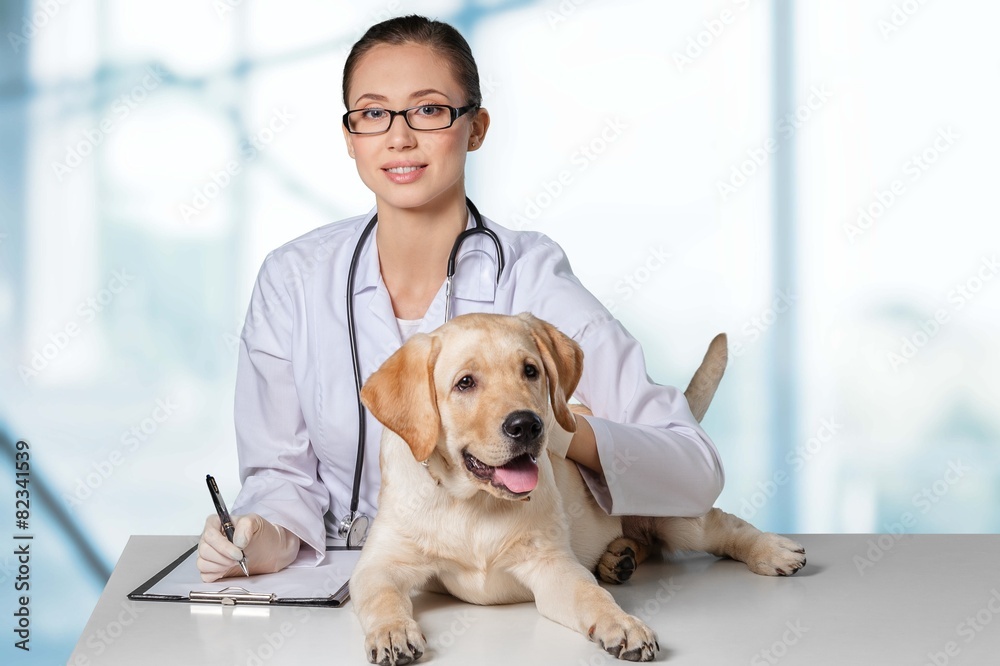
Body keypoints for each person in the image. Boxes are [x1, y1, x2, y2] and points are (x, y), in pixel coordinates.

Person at [197, 14, 724, 582]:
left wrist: (556, 427)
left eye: (428, 109)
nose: (399, 137)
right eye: (373, 113)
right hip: (352, 586)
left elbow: (694, 469)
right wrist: (255, 536)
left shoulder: (531, 278)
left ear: (476, 128)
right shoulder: (292, 280)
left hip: (506, 585)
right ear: (350, 137)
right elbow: (279, 480)